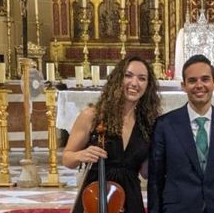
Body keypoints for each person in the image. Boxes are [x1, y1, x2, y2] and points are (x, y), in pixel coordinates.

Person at [63, 56, 161, 213]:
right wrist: (82, 154)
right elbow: (67, 159)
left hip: (130, 199)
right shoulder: (92, 116)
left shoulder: (147, 125)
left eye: (142, 78)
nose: (134, 83)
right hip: (96, 196)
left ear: (148, 86)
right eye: (128, 75)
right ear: (117, 79)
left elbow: (145, 172)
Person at [148, 54, 214, 213]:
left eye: (205, 79)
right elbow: (156, 178)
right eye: (192, 80)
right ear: (183, 85)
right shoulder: (165, 124)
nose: (199, 85)